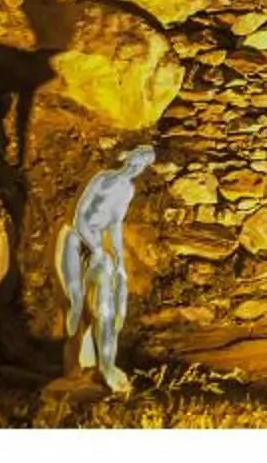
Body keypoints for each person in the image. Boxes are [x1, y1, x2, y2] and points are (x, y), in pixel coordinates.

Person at [55, 143, 154, 391]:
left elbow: (115, 225)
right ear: (128, 159)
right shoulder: (102, 179)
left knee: (108, 300)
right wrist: (96, 248)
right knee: (75, 303)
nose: (136, 168)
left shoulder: (127, 190)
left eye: (141, 166)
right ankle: (75, 364)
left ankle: (105, 364)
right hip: (75, 239)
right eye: (135, 161)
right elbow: (79, 218)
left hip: (98, 245)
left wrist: (118, 256)